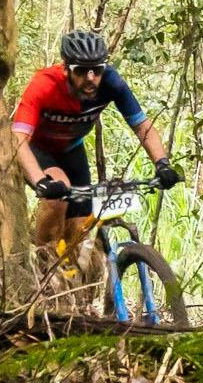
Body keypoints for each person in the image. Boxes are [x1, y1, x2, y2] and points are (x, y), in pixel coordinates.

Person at [11, 28, 180, 263]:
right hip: (38, 150)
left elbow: (142, 127)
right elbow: (18, 138)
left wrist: (162, 164)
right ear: (66, 69)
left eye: (96, 71)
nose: (90, 78)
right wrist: (40, 181)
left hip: (72, 150)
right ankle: (43, 267)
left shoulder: (112, 83)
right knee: (57, 198)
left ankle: (71, 280)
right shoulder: (45, 84)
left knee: (80, 228)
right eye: (81, 71)